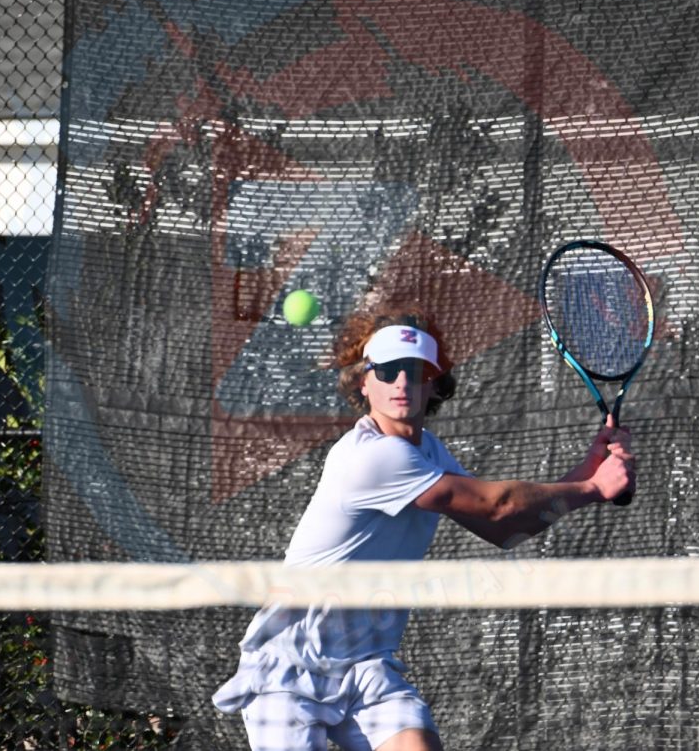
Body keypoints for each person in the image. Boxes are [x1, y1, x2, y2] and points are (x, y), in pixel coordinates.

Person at [213, 306, 635, 751]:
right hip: (290, 667)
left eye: (415, 372)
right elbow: (498, 507)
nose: (401, 383)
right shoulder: (373, 457)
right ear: (363, 380)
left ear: (433, 383)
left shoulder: (428, 452)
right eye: (389, 370)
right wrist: (592, 488)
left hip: (366, 666)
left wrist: (589, 471)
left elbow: (504, 530)